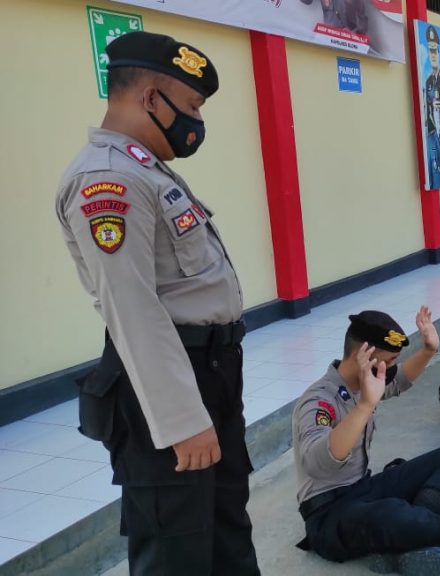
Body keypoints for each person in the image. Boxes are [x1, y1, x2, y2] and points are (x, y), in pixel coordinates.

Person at [55, 32, 259, 574]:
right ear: (150, 99)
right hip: (169, 385)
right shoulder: (108, 179)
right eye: (191, 105)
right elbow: (133, 310)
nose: (197, 120)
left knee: (227, 530)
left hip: (210, 371)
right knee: (177, 549)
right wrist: (182, 420)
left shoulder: (144, 168)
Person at [293, 309, 440, 575]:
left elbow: (398, 380)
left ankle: (409, 534)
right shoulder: (318, 401)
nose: (390, 368)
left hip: (364, 489)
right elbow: (317, 462)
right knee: (391, 514)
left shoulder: (363, 380)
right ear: (364, 354)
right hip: (328, 515)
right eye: (389, 361)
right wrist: (364, 407)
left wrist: (429, 350)